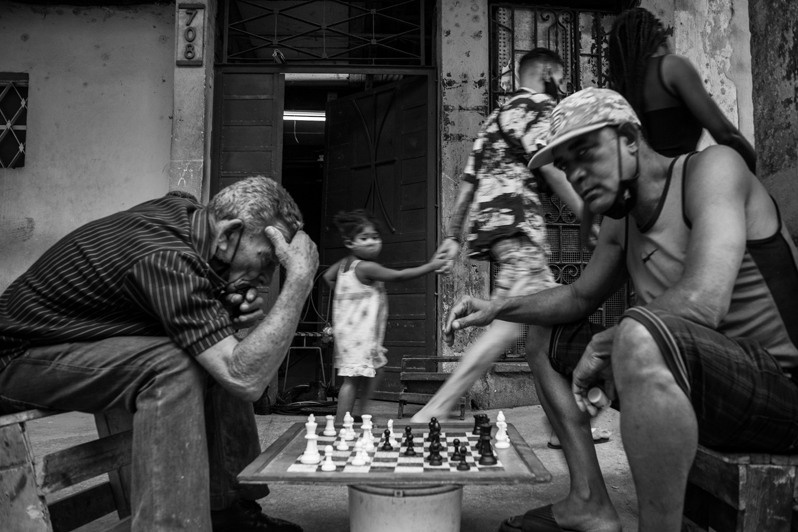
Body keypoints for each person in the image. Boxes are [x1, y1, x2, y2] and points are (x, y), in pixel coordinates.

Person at [443, 87, 798, 532]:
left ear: (630, 139)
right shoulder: (620, 220)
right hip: (693, 386)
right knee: (543, 331)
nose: (577, 175)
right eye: (566, 167)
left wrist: (612, 341)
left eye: (586, 153)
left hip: (779, 394)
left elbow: (705, 298)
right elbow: (577, 298)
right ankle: (590, 501)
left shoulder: (712, 170)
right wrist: (499, 307)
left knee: (637, 333)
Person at [0, 176, 319, 532]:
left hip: (76, 344)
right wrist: (300, 280)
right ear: (229, 235)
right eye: (268, 259)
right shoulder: (165, 256)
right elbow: (245, 379)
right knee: (176, 366)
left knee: (215, 352)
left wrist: (222, 310)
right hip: (17, 357)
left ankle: (228, 512)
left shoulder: (189, 219)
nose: (266, 279)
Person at [410, 48, 591, 423]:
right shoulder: (536, 107)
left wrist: (453, 238)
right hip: (520, 227)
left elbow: (468, 183)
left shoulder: (494, 119)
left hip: (498, 232)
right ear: (546, 72)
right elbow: (553, 169)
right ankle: (436, 410)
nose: (564, 85)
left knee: (542, 329)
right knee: (512, 325)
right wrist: (588, 216)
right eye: (561, 76)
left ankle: (561, 422)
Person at [323, 209, 446, 423]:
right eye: (364, 238)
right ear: (350, 242)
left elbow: (328, 277)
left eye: (375, 237)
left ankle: (358, 413)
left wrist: (347, 298)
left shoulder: (343, 265)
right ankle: (341, 423)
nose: (372, 242)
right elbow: (399, 276)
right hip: (359, 335)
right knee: (350, 380)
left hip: (350, 334)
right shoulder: (367, 267)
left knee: (377, 369)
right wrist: (431, 266)